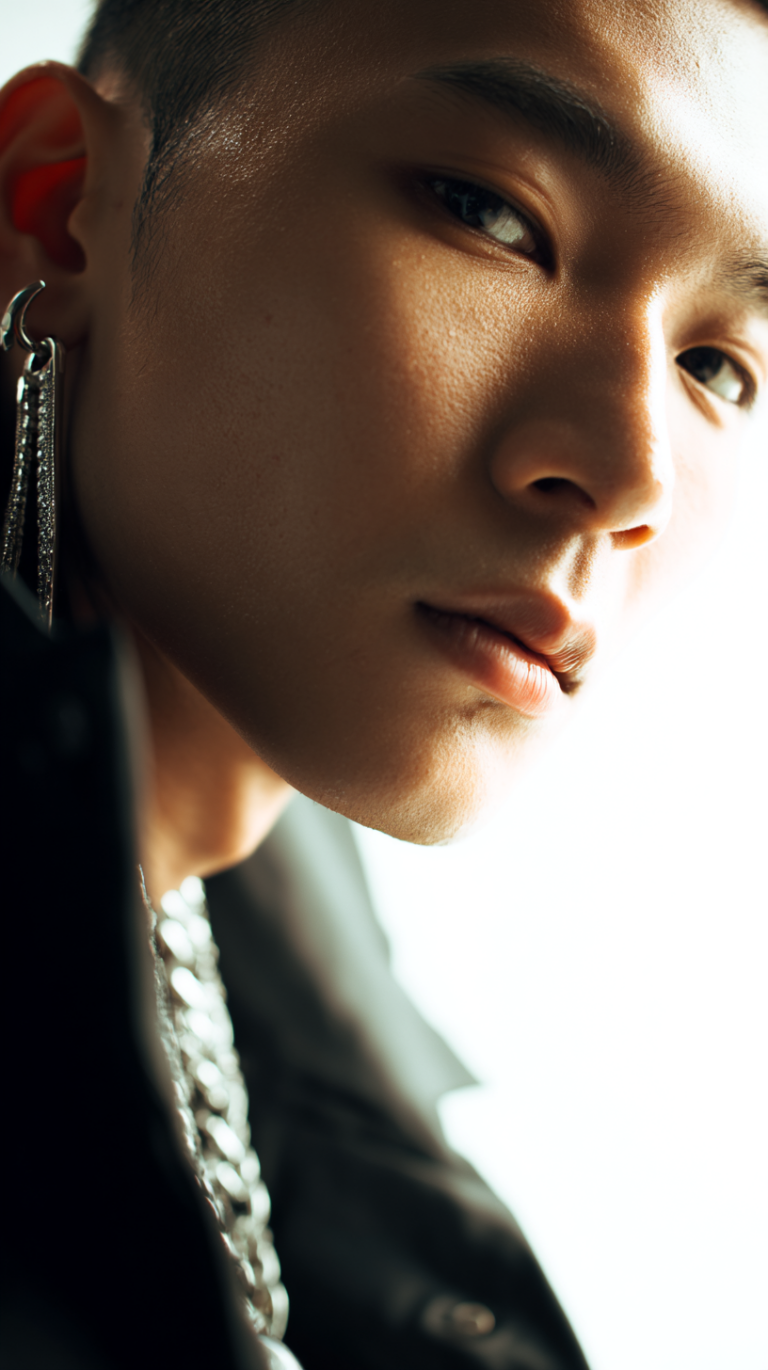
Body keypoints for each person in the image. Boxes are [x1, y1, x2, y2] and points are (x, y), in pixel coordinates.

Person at [1, 0, 767, 1365]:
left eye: (716, 365)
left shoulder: (309, 1047)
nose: (633, 473)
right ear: (58, 208)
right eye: (492, 215)